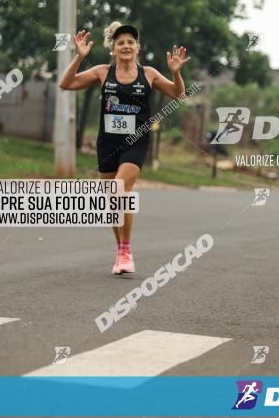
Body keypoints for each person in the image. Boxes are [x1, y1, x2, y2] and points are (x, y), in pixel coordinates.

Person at [59, 23, 189, 274]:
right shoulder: (101, 72)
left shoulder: (148, 74)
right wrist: (79, 57)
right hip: (107, 143)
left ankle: (127, 250)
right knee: (111, 201)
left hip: (136, 143)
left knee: (120, 192)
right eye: (120, 43)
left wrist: (176, 73)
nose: (126, 46)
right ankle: (120, 251)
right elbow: (66, 84)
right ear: (113, 49)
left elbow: (178, 94)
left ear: (137, 47)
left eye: (131, 42)